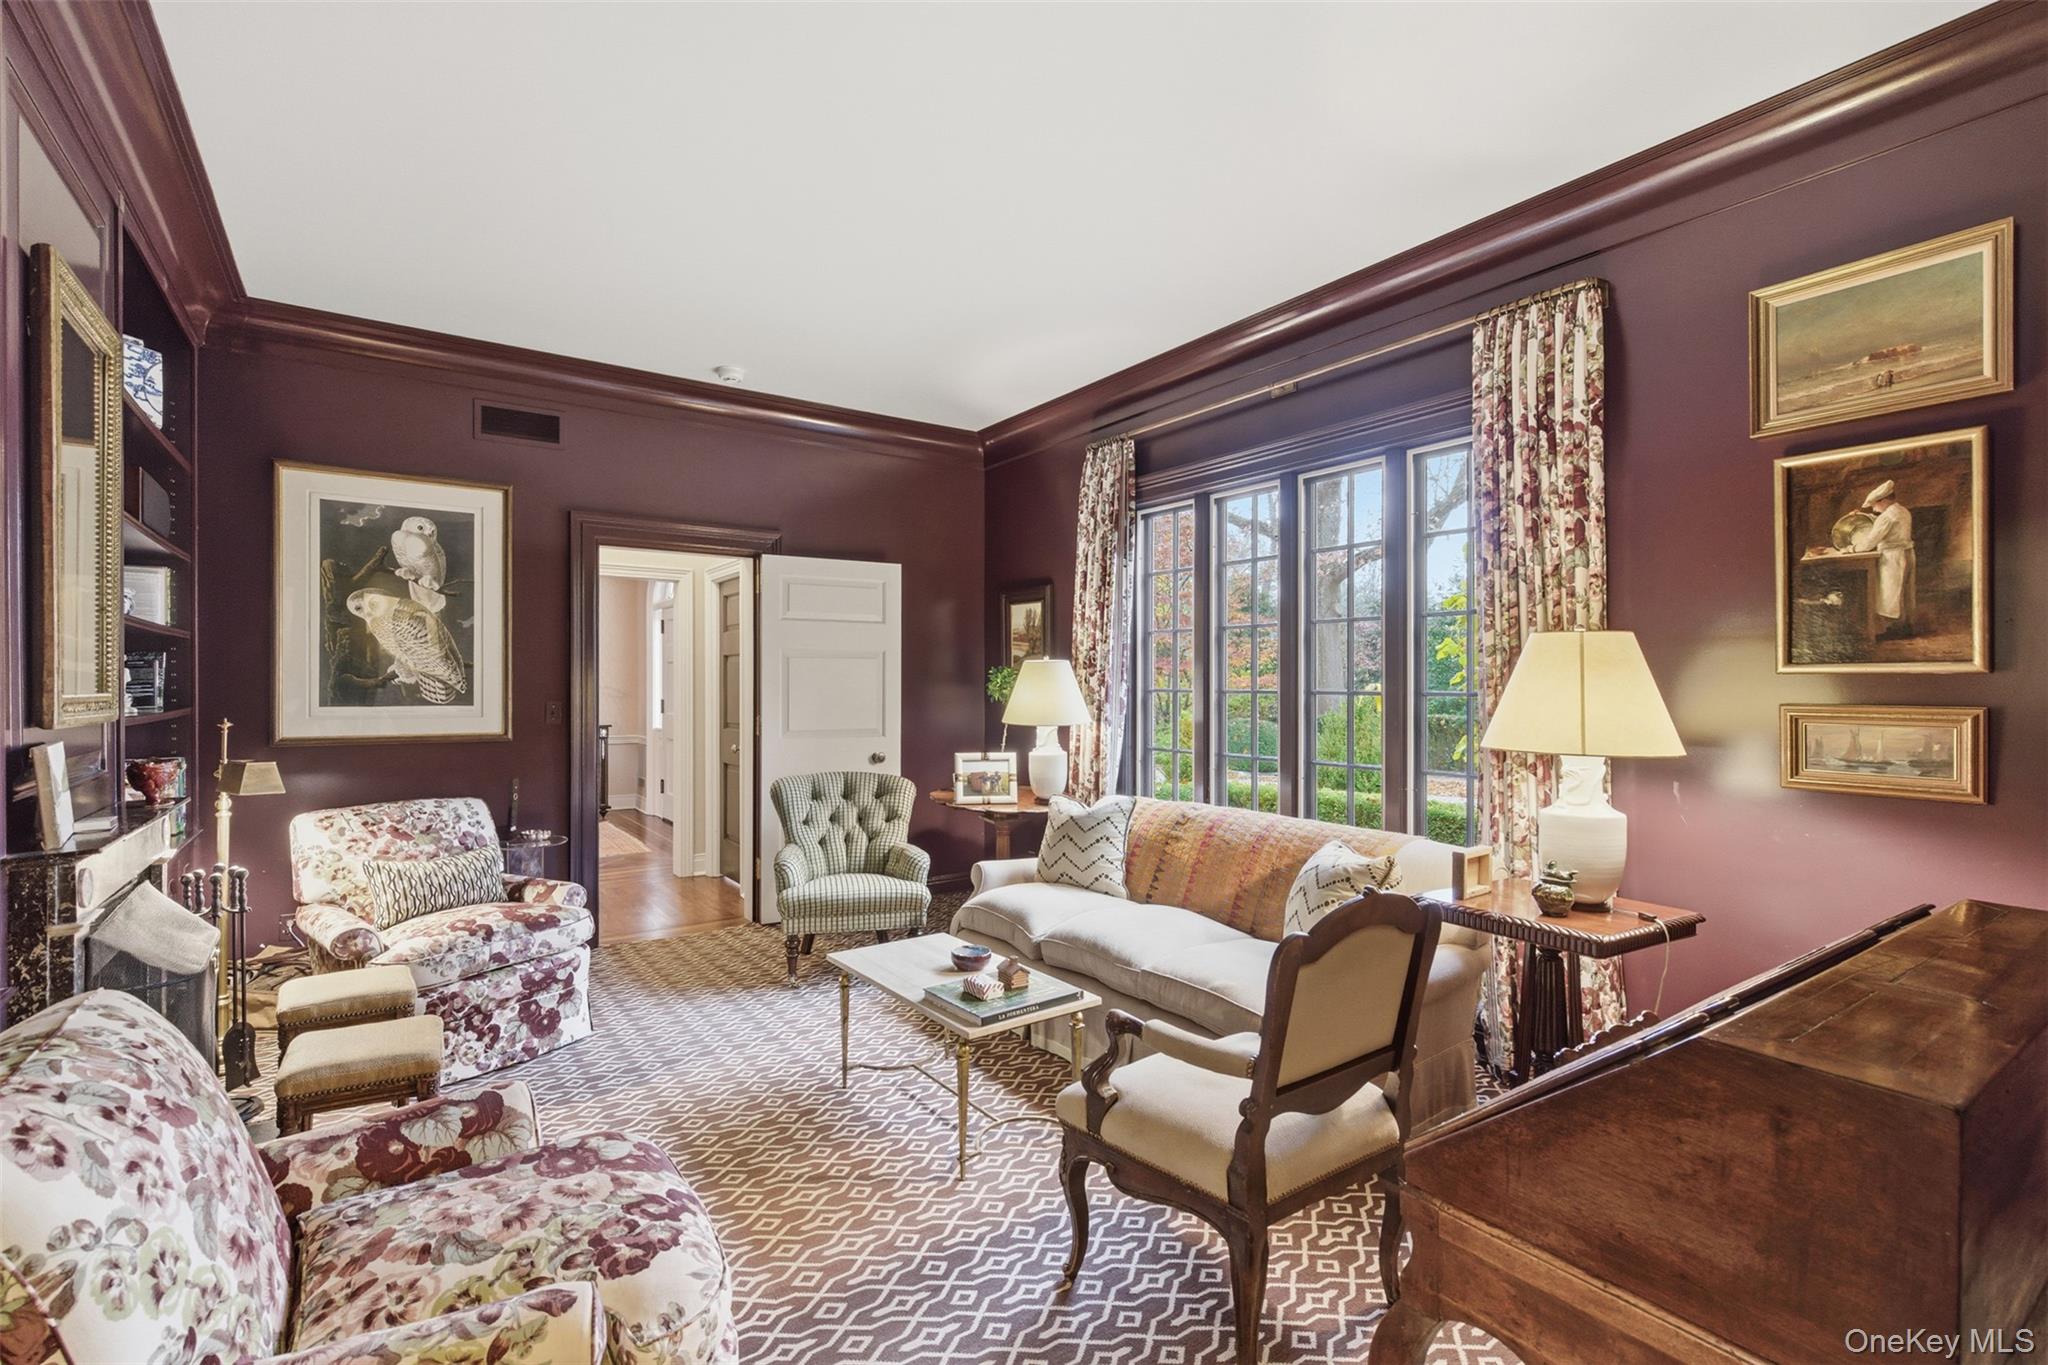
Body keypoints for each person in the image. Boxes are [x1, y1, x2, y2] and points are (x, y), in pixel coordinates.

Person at [1844, 479, 1916, 637]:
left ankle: (1897, 631)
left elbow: (1870, 541)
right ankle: (1906, 627)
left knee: (1891, 594)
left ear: (1883, 500)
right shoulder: (1902, 510)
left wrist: (1851, 549)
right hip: (1907, 554)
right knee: (1903, 592)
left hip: (1893, 557)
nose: (1874, 508)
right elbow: (1883, 521)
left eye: (1875, 504)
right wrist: (1863, 514)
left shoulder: (1887, 517)